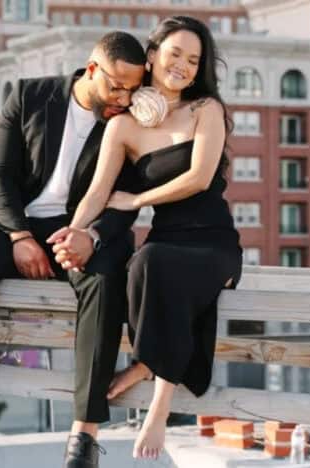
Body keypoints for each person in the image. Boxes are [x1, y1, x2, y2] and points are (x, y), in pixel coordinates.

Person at [0, 32, 146, 468]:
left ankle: (84, 436)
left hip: (85, 231)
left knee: (105, 280)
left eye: (133, 88)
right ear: (92, 69)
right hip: (16, 226)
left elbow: (128, 197)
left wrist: (92, 236)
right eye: (117, 85)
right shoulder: (29, 95)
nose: (124, 96)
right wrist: (20, 236)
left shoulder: (132, 118)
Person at [60, 16, 243, 461]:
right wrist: (73, 233)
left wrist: (137, 198)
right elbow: (98, 192)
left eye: (194, 60)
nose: (183, 65)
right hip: (167, 239)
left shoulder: (206, 111)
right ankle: (147, 361)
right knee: (142, 264)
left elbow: (199, 179)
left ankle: (157, 403)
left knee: (156, 265)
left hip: (214, 242)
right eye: (175, 53)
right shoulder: (123, 125)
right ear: (153, 53)